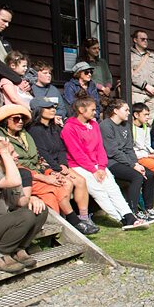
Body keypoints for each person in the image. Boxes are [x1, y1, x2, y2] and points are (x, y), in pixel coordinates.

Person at [0, 104, 97, 235]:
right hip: (21, 176)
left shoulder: (25, 135)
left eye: (22, 119)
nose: (20, 121)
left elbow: (39, 157)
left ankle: (65, 225)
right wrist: (43, 177)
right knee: (54, 189)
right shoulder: (1, 139)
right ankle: (71, 224)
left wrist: (52, 172)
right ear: (6, 121)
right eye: (16, 119)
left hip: (38, 171)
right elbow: (13, 165)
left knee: (63, 183)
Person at [60, 96, 148, 230]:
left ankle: (129, 215)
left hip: (97, 164)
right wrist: (93, 170)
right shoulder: (69, 128)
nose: (95, 112)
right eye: (92, 110)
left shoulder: (94, 125)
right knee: (99, 190)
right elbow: (76, 153)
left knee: (112, 187)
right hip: (79, 166)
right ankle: (121, 219)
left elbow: (100, 147)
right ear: (81, 110)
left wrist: (101, 167)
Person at [26, 99, 97, 232]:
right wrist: (57, 168)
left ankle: (84, 217)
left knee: (81, 181)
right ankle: (67, 219)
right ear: (38, 110)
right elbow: (42, 153)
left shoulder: (55, 128)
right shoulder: (34, 130)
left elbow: (61, 149)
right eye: (48, 107)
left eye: (53, 107)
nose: (53, 109)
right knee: (67, 183)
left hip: (60, 164)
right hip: (47, 166)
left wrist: (63, 164)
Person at [0, 135, 47, 272]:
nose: (16, 156)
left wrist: (32, 198)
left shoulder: (9, 171)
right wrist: (4, 152)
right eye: (11, 153)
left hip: (2, 225)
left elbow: (19, 202)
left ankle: (18, 249)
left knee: (40, 210)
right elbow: (13, 182)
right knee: (25, 216)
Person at [100, 99, 154, 223]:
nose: (129, 113)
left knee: (149, 174)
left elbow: (129, 148)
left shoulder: (126, 125)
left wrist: (136, 163)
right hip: (111, 162)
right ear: (115, 111)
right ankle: (133, 210)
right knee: (136, 176)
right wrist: (132, 165)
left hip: (126, 160)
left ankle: (148, 208)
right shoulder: (105, 126)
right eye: (126, 110)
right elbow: (112, 151)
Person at [0, 5, 28, 104]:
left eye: (8, 22)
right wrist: (17, 80)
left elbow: (14, 63)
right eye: (4, 20)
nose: (7, 25)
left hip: (8, 88)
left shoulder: (3, 41)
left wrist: (23, 81)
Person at [130, 30, 154, 122]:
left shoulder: (152, 56)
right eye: (142, 39)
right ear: (135, 40)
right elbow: (130, 75)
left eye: (146, 39)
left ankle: (146, 137)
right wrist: (146, 86)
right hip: (137, 93)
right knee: (136, 122)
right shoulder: (129, 55)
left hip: (152, 96)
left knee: (148, 123)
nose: (145, 41)